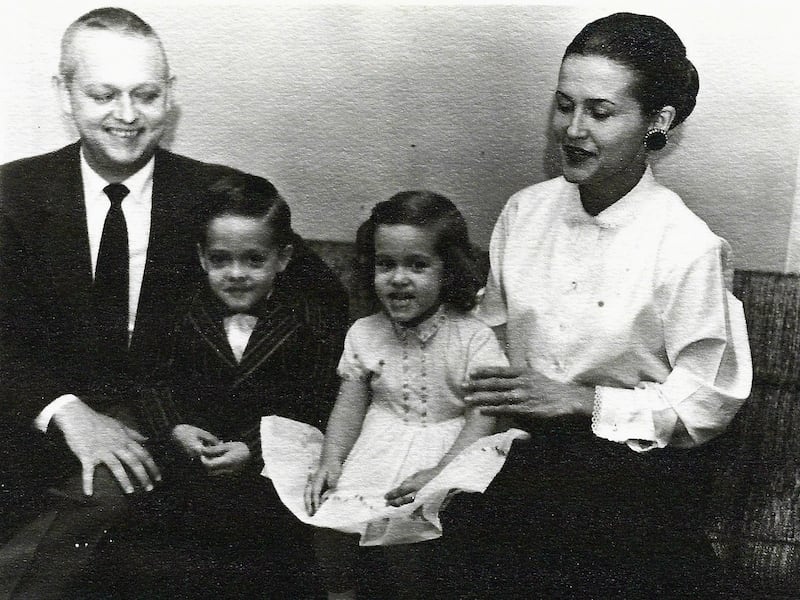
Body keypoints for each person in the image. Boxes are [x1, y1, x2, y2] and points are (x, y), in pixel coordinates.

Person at [0, 7, 344, 597]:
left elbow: (325, 305)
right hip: (35, 420)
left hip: (174, 419)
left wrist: (264, 428)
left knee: (119, 493)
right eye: (103, 94)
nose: (127, 116)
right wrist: (64, 408)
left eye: (146, 95)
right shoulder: (10, 196)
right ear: (65, 93)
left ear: (170, 96)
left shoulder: (219, 195)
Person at [437, 12, 753, 599]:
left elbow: (706, 406)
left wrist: (584, 401)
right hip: (519, 458)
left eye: (600, 113)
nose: (573, 129)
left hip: (628, 483)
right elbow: (490, 346)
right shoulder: (523, 213)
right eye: (563, 105)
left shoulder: (687, 245)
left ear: (657, 122)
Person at [272, 191, 509, 600]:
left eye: (417, 265)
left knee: (407, 544)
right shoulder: (364, 333)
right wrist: (332, 458)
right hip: (379, 442)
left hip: (446, 446)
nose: (398, 278)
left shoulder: (473, 337)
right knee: (329, 522)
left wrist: (444, 470)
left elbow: (482, 413)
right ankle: (340, 593)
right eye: (386, 265)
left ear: (448, 271)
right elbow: (349, 405)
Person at [125, 173, 346, 598]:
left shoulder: (308, 323)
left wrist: (255, 448)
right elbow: (150, 379)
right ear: (202, 259)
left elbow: (319, 401)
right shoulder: (179, 312)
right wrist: (175, 427)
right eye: (221, 259)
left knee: (272, 575)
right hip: (189, 474)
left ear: (282, 258)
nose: (236, 274)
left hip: (270, 480)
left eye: (254, 260)